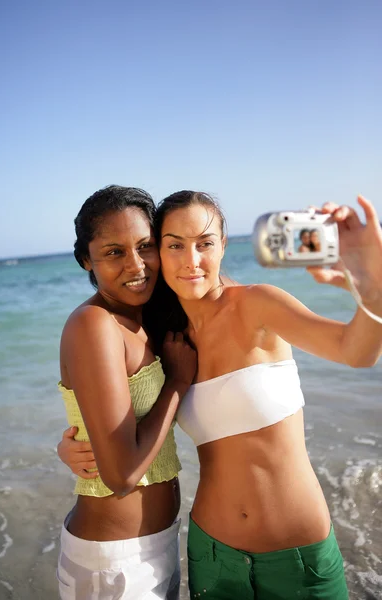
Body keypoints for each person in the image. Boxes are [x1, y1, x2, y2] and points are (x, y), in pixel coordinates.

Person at [59, 191, 382, 599]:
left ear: (224, 245)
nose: (191, 260)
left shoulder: (258, 304)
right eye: (174, 244)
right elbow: (113, 403)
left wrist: (374, 288)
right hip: (213, 555)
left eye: (205, 243)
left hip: (298, 553)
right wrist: (75, 442)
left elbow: (356, 351)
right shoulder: (164, 336)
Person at [56, 185, 196, 600]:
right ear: (87, 260)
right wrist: (177, 382)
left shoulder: (144, 320)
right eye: (114, 252)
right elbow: (120, 477)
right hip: (112, 563)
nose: (137, 265)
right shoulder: (93, 324)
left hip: (156, 544)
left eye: (145, 246)